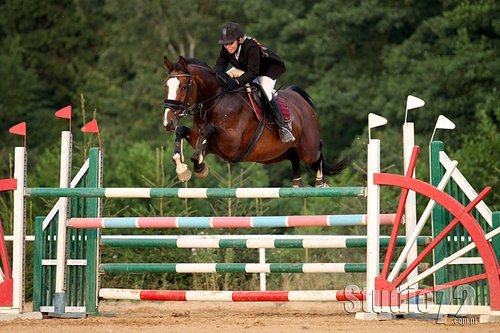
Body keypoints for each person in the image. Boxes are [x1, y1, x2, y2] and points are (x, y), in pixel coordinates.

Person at [214, 22, 295, 143]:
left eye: (230, 43)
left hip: (266, 71)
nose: (227, 47)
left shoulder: (251, 47)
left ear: (240, 39)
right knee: (223, 78)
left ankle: (283, 126)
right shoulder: (226, 49)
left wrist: (236, 82)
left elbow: (252, 72)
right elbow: (219, 67)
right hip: (247, 69)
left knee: (265, 93)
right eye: (225, 44)